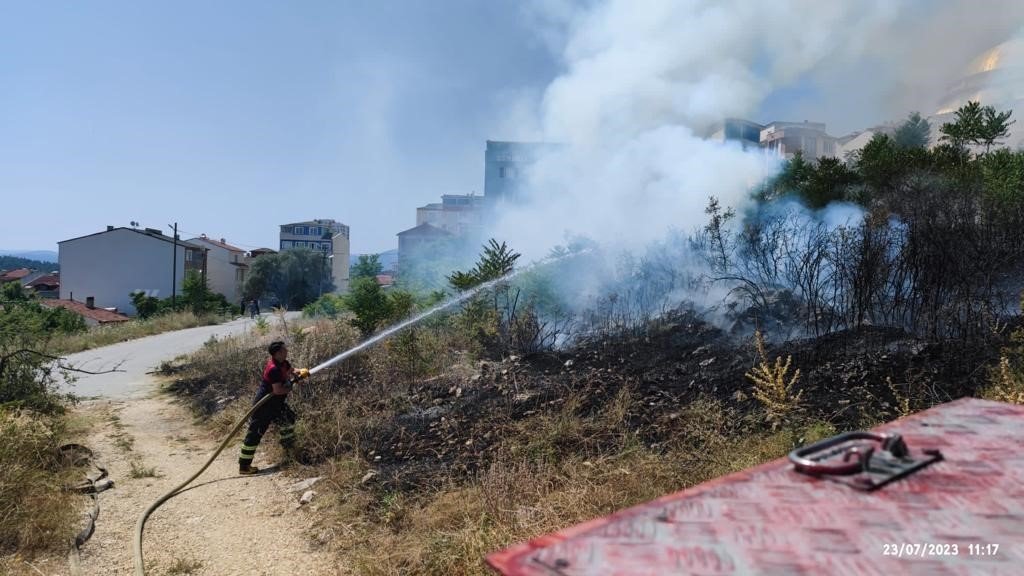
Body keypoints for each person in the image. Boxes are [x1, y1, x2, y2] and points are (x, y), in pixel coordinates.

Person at [238, 341, 309, 474]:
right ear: (277, 353)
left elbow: (291, 370)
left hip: (276, 404)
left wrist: (300, 372)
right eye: (284, 350)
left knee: (288, 419)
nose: (287, 351)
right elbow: (278, 390)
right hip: (264, 405)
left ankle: (289, 452)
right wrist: (291, 385)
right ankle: (244, 466)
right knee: (255, 433)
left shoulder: (283, 363)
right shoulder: (273, 369)